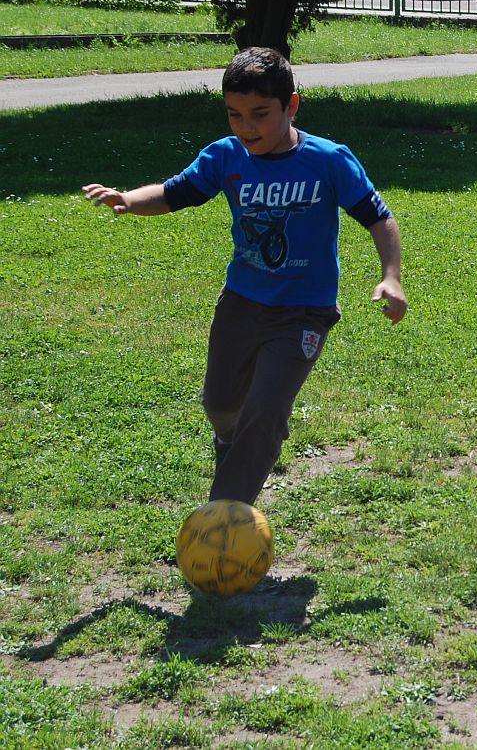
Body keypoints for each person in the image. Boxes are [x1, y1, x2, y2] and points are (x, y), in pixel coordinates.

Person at [81, 47, 407, 506]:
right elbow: (176, 193)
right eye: (234, 114)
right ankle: (232, 445)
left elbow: (379, 217)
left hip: (304, 311)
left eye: (259, 114)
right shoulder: (226, 157)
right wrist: (130, 200)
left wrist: (391, 276)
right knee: (220, 404)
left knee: (265, 413)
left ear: (291, 105)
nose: (246, 126)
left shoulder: (329, 160)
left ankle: (225, 516)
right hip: (241, 302)